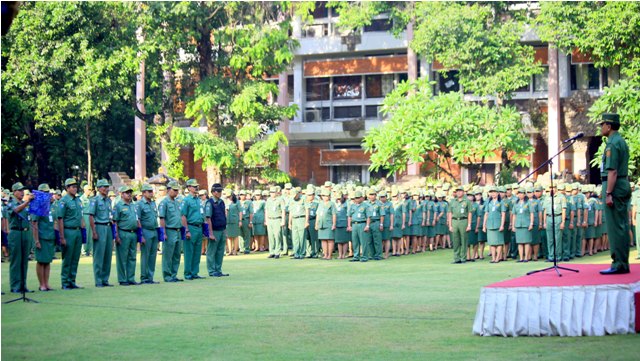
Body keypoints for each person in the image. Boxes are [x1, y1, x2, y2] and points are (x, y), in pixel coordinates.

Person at [598, 113, 632, 275]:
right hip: (622, 184)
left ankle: (618, 263)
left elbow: (612, 171)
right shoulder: (620, 141)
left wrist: (609, 193)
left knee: (615, 227)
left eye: (602, 124)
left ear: (609, 126)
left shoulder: (612, 144)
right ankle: (622, 262)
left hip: (615, 186)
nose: (601, 127)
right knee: (621, 225)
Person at [58, 178, 85, 290]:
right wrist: (62, 236)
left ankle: (72, 280)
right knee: (67, 258)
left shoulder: (78, 200)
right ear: (67, 188)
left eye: (75, 186)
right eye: (72, 186)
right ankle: (65, 282)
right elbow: (60, 219)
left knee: (75, 257)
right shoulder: (64, 201)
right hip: (68, 231)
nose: (74, 188)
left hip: (78, 231)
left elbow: (81, 215)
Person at [7, 182, 33, 293]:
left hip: (25, 232)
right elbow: (15, 211)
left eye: (23, 190)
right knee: (16, 260)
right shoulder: (10, 202)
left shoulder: (24, 203)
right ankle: (15, 286)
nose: (22, 192)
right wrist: (27, 202)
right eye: (20, 190)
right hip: (16, 233)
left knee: (24, 261)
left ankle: (23, 284)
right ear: (14, 192)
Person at [88, 179, 114, 287]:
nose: (106, 189)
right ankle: (98, 280)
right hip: (99, 226)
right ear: (98, 188)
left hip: (108, 227)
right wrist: (94, 231)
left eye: (107, 187)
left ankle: (105, 279)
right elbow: (91, 216)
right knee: (99, 255)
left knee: (108, 254)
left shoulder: (108, 200)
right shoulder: (95, 200)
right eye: (104, 187)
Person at [113, 185, 139, 286]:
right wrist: (116, 236)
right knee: (122, 258)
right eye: (127, 192)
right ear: (121, 194)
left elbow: (137, 219)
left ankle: (131, 278)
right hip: (123, 232)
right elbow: (115, 222)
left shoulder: (133, 205)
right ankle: (122, 279)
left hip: (133, 233)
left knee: (132, 257)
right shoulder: (118, 206)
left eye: (130, 192)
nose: (129, 194)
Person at [159, 181, 183, 282]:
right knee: (168, 254)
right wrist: (163, 233)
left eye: (177, 190)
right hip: (169, 230)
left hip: (178, 230)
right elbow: (162, 218)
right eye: (174, 190)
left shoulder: (177, 202)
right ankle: (167, 275)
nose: (176, 192)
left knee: (177, 254)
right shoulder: (164, 202)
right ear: (168, 190)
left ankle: (174, 274)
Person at [181, 179, 205, 280]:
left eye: (197, 186)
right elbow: (183, 216)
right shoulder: (186, 200)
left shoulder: (198, 200)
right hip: (190, 227)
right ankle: (188, 273)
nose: (196, 188)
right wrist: (186, 230)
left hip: (199, 227)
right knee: (189, 251)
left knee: (197, 251)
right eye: (194, 186)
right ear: (189, 187)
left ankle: (195, 272)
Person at [137, 183, 159, 284]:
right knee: (145, 255)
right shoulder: (140, 204)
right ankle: (144, 277)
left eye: (152, 191)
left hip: (154, 230)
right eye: (149, 192)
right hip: (146, 231)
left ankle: (150, 277)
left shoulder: (153, 203)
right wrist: (141, 235)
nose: (151, 193)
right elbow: (138, 220)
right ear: (143, 193)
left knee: (152, 255)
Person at [205, 183, 229, 277]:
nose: (220, 193)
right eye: (218, 191)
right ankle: (211, 270)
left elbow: (224, 216)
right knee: (211, 251)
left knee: (220, 251)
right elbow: (208, 218)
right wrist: (210, 233)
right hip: (214, 230)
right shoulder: (209, 203)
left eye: (220, 191)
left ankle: (218, 269)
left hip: (222, 229)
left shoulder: (221, 202)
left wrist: (225, 231)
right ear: (213, 192)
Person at [542, 183, 567, 262]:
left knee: (557, 238)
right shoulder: (547, 197)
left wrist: (563, 222)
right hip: (549, 217)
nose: (552, 189)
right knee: (550, 239)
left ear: (556, 188)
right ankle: (551, 256)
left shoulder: (561, 197)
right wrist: (544, 222)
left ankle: (558, 256)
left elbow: (564, 210)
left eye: (553, 187)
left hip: (557, 217)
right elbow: (545, 210)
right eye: (550, 187)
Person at [448, 186, 472, 264]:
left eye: (460, 191)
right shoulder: (452, 201)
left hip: (463, 220)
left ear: (463, 192)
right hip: (454, 221)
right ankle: (456, 258)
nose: (458, 192)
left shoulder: (467, 201)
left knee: (464, 240)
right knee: (455, 240)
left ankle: (463, 258)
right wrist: (450, 225)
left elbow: (469, 213)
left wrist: (469, 224)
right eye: (457, 191)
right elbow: (450, 213)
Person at [483, 186, 505, 263]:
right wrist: (484, 225)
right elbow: (486, 213)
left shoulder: (501, 202)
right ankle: (493, 258)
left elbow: (503, 214)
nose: (493, 194)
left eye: (494, 192)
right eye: (491, 192)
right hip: (490, 224)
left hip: (498, 224)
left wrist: (502, 225)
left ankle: (498, 258)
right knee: (492, 242)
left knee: (498, 242)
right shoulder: (488, 202)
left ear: (497, 193)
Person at [347, 191, 371, 262]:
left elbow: (368, 217)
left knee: (363, 242)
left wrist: (367, 225)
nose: (356, 199)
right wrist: (349, 225)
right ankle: (356, 256)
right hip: (354, 224)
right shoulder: (352, 206)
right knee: (355, 241)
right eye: (355, 198)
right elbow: (349, 216)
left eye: (358, 198)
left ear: (361, 198)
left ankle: (364, 256)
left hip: (362, 223)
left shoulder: (365, 206)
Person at [512, 188, 534, 262]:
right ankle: (521, 257)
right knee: (520, 242)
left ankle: (526, 257)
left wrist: (531, 223)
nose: (520, 195)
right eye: (519, 193)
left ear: (524, 194)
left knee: (526, 242)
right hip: (518, 224)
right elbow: (514, 215)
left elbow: (531, 213)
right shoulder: (516, 203)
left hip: (526, 224)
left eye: (522, 193)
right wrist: (513, 225)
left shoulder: (528, 203)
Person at [316, 188, 336, 260]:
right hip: (321, 224)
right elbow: (318, 214)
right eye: (323, 196)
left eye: (326, 196)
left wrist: (334, 224)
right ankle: (325, 254)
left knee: (330, 239)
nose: (325, 197)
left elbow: (334, 214)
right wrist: (316, 224)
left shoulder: (331, 204)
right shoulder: (320, 204)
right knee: (323, 239)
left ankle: (329, 255)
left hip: (329, 223)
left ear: (329, 196)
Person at [265, 187, 285, 259]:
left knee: (277, 236)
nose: (272, 194)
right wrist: (266, 220)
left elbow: (283, 210)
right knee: (270, 236)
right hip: (270, 219)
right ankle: (271, 252)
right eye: (271, 192)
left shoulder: (280, 199)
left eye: (273, 192)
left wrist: (283, 220)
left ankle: (277, 252)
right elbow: (266, 210)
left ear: (277, 192)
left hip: (277, 219)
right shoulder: (268, 200)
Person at [288, 188, 306, 259]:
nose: (294, 197)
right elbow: (290, 212)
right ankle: (296, 253)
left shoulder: (303, 199)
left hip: (301, 218)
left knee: (301, 237)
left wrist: (306, 221)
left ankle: (302, 253)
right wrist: (289, 223)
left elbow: (307, 210)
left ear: (298, 194)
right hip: (294, 219)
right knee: (295, 238)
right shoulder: (291, 200)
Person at [225, 190, 241, 256]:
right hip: (227, 221)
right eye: (228, 196)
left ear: (232, 195)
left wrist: (240, 220)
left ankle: (235, 250)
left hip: (235, 220)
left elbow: (240, 212)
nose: (229, 198)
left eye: (230, 196)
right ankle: (230, 251)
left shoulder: (237, 202)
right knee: (228, 236)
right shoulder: (226, 202)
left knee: (235, 236)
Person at [334, 191, 350, 259]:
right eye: (337, 198)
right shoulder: (335, 204)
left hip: (344, 223)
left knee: (345, 240)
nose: (338, 199)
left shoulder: (346, 204)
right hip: (337, 224)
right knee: (339, 241)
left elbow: (348, 215)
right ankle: (340, 254)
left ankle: (344, 254)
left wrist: (348, 225)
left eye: (339, 198)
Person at [304, 188, 320, 258]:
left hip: (313, 220)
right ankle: (308, 252)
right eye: (308, 195)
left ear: (314, 195)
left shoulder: (316, 203)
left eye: (311, 195)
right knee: (307, 237)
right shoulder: (304, 202)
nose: (310, 196)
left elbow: (318, 214)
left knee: (314, 238)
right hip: (304, 220)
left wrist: (316, 223)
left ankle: (315, 252)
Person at [80, 184, 94, 257]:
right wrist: (81, 220)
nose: (90, 191)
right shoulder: (81, 198)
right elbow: (80, 210)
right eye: (89, 189)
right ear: (85, 190)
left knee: (91, 233)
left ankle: (90, 250)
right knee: (85, 233)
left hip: (91, 216)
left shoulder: (91, 199)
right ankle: (84, 251)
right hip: (85, 216)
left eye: (90, 190)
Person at [239, 190, 253, 254]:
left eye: (243, 195)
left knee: (247, 235)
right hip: (239, 220)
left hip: (246, 219)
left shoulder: (249, 202)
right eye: (241, 194)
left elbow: (251, 212)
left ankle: (247, 248)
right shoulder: (237, 202)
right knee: (240, 234)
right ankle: (241, 248)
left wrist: (250, 222)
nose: (242, 196)